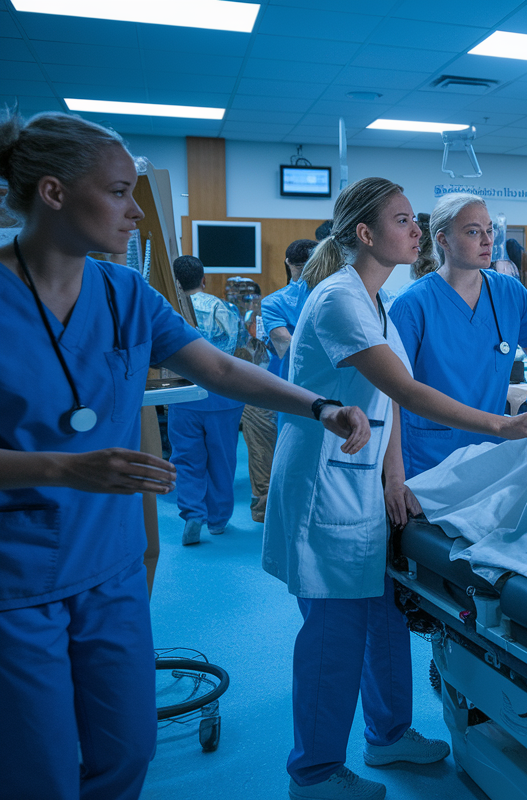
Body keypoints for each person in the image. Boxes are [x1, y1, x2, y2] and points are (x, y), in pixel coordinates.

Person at [0, 109, 369, 800]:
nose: (135, 211)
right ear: (53, 193)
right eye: (117, 192)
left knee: (127, 748)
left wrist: (318, 406)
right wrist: (61, 466)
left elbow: (221, 370)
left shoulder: (124, 293)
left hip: (108, 568)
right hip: (17, 580)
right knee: (38, 767)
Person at [262, 177, 527, 800]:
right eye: (403, 221)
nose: (414, 231)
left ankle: (388, 732)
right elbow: (404, 391)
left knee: (381, 614)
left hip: (366, 481)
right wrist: (502, 425)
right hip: (328, 489)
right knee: (332, 635)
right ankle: (313, 774)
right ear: (366, 234)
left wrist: (394, 476)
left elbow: (387, 405)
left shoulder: (375, 301)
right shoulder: (341, 299)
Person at [388, 192, 527, 480]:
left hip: (491, 451)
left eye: (489, 230)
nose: (487, 240)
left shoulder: (509, 292)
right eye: (473, 232)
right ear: (443, 240)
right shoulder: (413, 304)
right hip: (428, 456)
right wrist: (393, 477)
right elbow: (390, 394)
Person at [168, 254, 246, 544]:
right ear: (203, 279)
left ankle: (192, 514)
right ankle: (218, 520)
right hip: (224, 397)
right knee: (222, 458)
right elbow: (236, 348)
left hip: (183, 394)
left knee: (186, 458)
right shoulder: (222, 307)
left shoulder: (169, 309)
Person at [242, 238, 317, 522]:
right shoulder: (331, 297)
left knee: (271, 455)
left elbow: (286, 346)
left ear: (288, 263)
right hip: (309, 393)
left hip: (282, 390)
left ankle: (268, 513)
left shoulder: (275, 301)